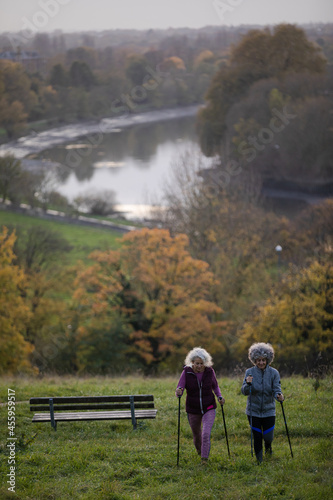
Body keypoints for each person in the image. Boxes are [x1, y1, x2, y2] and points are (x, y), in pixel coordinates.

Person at [175, 347, 225, 465]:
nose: (199, 366)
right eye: (197, 363)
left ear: (205, 363)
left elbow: (215, 386)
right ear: (192, 362)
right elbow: (180, 386)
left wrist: (219, 396)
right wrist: (179, 391)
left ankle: (204, 459)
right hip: (193, 408)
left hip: (209, 407)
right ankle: (199, 451)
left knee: (206, 434)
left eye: (202, 364)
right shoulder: (187, 372)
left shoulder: (209, 371)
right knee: (197, 436)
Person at [241, 342, 284, 464]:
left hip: (269, 410)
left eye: (263, 360)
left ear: (268, 359)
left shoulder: (274, 373)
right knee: (257, 436)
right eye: (258, 360)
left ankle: (268, 447)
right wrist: (248, 384)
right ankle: (259, 461)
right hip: (253, 411)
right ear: (254, 359)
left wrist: (279, 396)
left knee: (268, 436)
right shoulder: (249, 372)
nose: (261, 362)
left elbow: (276, 389)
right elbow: (244, 391)